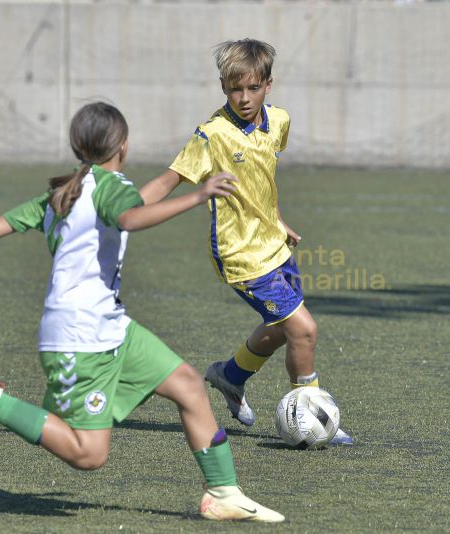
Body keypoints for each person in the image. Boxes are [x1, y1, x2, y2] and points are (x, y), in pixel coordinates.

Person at [0, 102, 284, 523]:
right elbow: (130, 217)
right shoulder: (108, 189)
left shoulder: (68, 192)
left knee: (187, 384)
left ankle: (223, 494)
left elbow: (1, 223)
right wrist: (199, 196)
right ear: (123, 145)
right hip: (79, 336)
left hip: (109, 325)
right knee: (89, 454)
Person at [140, 39, 353, 445]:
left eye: (253, 88)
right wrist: (125, 209)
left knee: (281, 328)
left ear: (268, 85)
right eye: (235, 88)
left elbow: (261, 180)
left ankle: (230, 376)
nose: (244, 98)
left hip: (274, 246)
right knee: (304, 329)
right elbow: (169, 181)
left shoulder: (279, 122)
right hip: (239, 254)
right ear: (223, 85)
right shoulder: (212, 135)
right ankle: (313, 414)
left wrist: (277, 220)